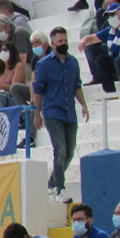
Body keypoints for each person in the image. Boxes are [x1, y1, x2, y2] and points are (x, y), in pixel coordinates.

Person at [33, 27, 89, 204]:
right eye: (60, 41)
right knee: (60, 149)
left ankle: (52, 181)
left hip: (69, 112)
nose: (63, 44)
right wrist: (37, 114)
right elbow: (38, 91)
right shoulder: (44, 65)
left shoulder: (73, 62)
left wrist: (84, 105)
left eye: (65, 41)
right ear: (52, 43)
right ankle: (60, 188)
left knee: (70, 151)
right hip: (52, 111)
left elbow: (76, 86)